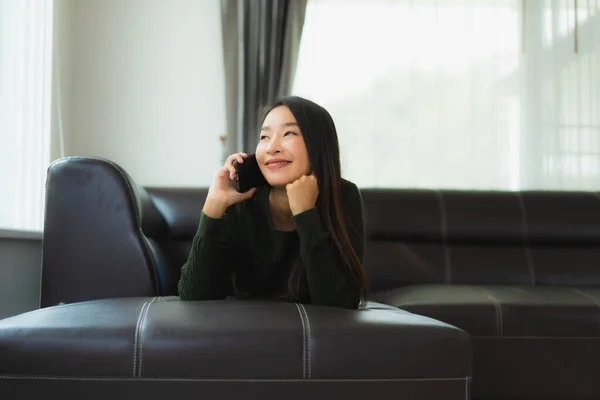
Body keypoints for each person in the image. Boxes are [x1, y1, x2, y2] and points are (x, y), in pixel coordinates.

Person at [178, 96, 368, 309]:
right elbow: (194, 295)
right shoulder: (242, 198)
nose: (271, 147)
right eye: (264, 136)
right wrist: (214, 204)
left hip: (314, 337)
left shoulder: (343, 195)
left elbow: (340, 303)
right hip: (247, 334)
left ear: (318, 144)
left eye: (289, 133)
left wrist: (306, 214)